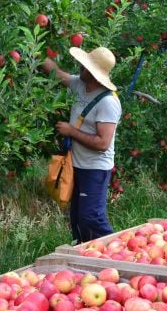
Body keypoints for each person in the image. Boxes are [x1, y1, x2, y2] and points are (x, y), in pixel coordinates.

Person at [42, 46, 121, 243]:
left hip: (95, 168)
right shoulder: (80, 84)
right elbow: (56, 73)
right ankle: (84, 254)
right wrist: (33, 51)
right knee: (77, 217)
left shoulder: (108, 103)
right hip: (76, 165)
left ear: (93, 73)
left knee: (91, 217)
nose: (80, 67)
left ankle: (114, 253)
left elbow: (103, 143)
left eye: (85, 67)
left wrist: (71, 132)